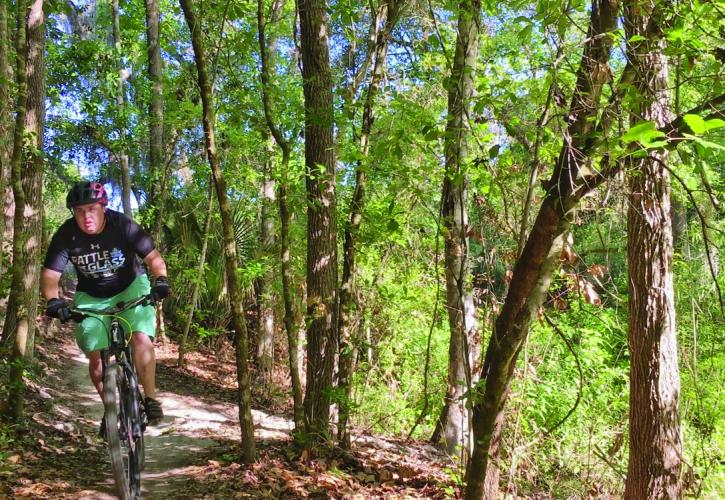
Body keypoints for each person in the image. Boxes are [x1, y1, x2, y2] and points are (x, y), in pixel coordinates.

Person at [41, 181, 170, 435]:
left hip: (130, 286)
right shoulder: (67, 234)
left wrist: (161, 281)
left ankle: (151, 399)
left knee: (141, 338)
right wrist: (53, 301)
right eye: (79, 211)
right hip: (92, 295)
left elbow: (153, 259)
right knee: (97, 357)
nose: (86, 216)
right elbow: (50, 275)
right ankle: (111, 411)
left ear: (103, 207)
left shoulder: (122, 225)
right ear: (73, 213)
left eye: (92, 209)